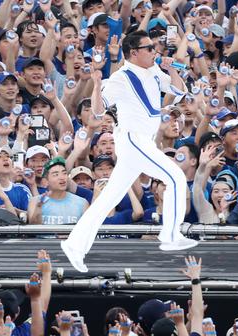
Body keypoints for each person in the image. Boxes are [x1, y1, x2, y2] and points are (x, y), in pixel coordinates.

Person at [61, 30, 197, 273]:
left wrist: (172, 69)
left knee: (108, 199)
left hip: (144, 140)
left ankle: (74, 244)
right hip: (132, 139)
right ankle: (170, 236)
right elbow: (99, 111)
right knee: (175, 177)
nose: (155, 52)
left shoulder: (154, 70)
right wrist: (97, 80)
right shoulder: (121, 77)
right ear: (134, 53)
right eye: (149, 49)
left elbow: (178, 91)